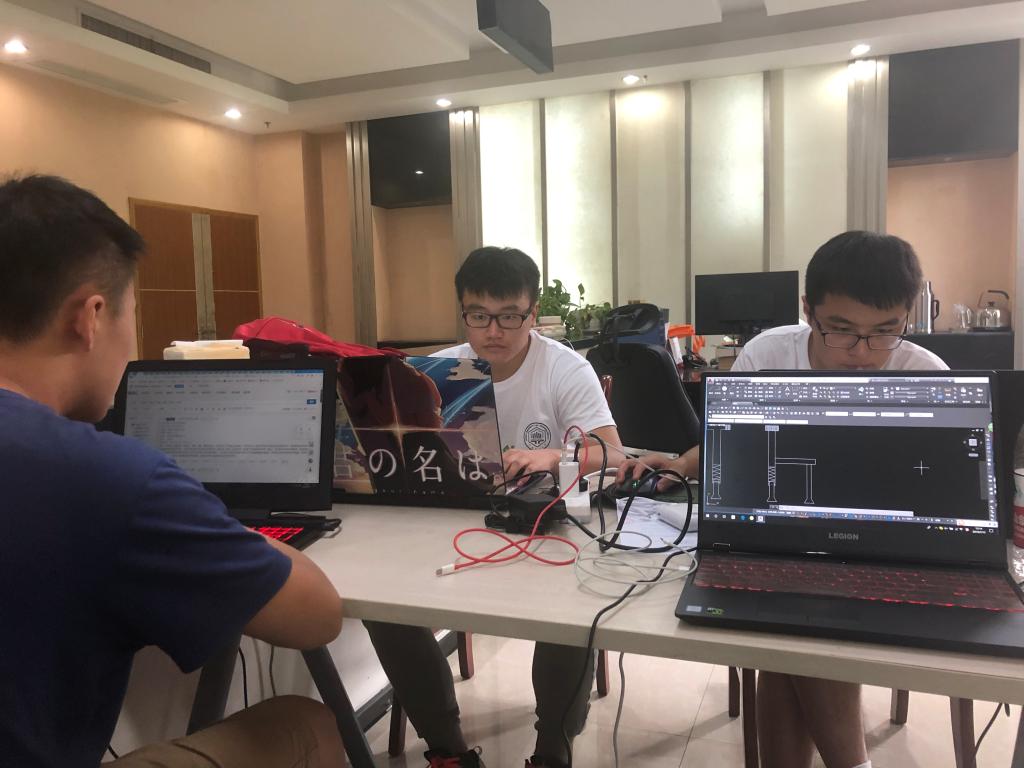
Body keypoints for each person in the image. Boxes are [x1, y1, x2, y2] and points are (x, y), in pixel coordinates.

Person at [0, 174, 346, 768]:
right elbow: (318, 616)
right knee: (306, 723)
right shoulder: (111, 479)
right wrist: (205, 519)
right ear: (91, 316)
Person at [619, 230, 947, 768]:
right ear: (808, 311)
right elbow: (735, 442)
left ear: (906, 317)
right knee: (790, 609)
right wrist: (682, 463)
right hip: (786, 539)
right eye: (841, 331)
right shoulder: (769, 354)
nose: (862, 354)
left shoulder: (925, 374)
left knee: (790, 626)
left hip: (886, 555)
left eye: (885, 332)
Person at [364, 246, 623, 768]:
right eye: (479, 315)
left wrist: (552, 456)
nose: (494, 331)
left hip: (542, 527)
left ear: (533, 313)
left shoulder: (564, 368)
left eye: (510, 316)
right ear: (463, 311)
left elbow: (612, 454)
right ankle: (447, 750)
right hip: (458, 523)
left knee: (573, 610)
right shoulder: (443, 371)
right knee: (380, 607)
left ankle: (552, 749)